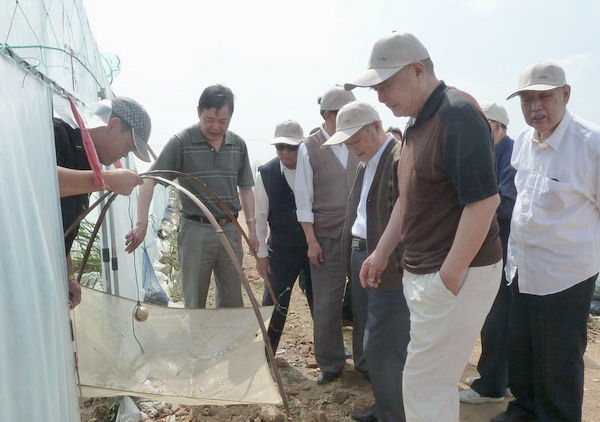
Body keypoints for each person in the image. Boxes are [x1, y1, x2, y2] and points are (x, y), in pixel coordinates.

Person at [350, 31, 502, 421]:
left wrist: (448, 277)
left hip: (454, 274)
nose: (380, 96)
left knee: (423, 384)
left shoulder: (457, 113)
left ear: (417, 70)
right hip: (424, 273)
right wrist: (381, 253)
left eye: (386, 84)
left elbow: (484, 203)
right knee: (433, 381)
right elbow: (408, 198)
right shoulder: (417, 123)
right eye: (376, 88)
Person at [492, 62, 600, 422]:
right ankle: (523, 411)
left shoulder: (591, 144)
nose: (535, 107)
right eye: (527, 100)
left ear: (565, 94)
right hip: (521, 269)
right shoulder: (523, 141)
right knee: (522, 350)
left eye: (545, 97)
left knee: (559, 359)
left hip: (566, 275)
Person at [125, 84, 258, 308]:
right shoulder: (182, 142)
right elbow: (149, 179)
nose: (216, 127)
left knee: (232, 300)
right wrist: (141, 223)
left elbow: (246, 188)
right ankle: (196, 332)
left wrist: (252, 228)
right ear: (198, 111)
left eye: (223, 121)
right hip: (196, 230)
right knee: (194, 299)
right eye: (209, 119)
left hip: (230, 229)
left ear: (231, 117)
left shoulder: (238, 145)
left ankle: (226, 333)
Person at [325, 101, 408, 422]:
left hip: (387, 264)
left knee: (386, 344)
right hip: (362, 257)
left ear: (376, 126)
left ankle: (395, 413)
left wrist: (384, 254)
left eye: (356, 140)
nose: (352, 148)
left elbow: (407, 214)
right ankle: (383, 405)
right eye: (347, 144)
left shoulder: (399, 158)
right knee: (370, 340)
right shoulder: (366, 163)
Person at [55, 96, 150, 309]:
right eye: (128, 145)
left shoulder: (88, 161)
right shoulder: (59, 134)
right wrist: (106, 180)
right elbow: (39, 182)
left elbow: (60, 226)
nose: (125, 154)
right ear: (113, 124)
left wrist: (69, 276)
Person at [295, 85, 359, 384]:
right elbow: (303, 200)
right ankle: (331, 363)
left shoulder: (357, 142)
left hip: (359, 237)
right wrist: (311, 241)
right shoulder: (309, 148)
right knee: (326, 304)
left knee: (363, 301)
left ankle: (366, 361)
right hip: (326, 237)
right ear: (327, 116)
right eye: (344, 115)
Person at [460, 102, 517, 404]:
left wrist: (471, 213)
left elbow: (504, 205)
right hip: (496, 247)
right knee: (494, 316)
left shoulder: (511, 154)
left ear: (494, 126)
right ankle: (500, 379)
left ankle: (491, 386)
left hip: (505, 250)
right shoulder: (494, 152)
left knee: (497, 318)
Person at [254, 119, 312, 354]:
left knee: (321, 303)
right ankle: (265, 354)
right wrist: (261, 254)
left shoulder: (314, 168)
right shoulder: (265, 174)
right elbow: (259, 217)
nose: (285, 152)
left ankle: (329, 355)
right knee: (274, 303)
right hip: (280, 250)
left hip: (313, 249)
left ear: (301, 146)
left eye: (291, 147)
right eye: (280, 147)